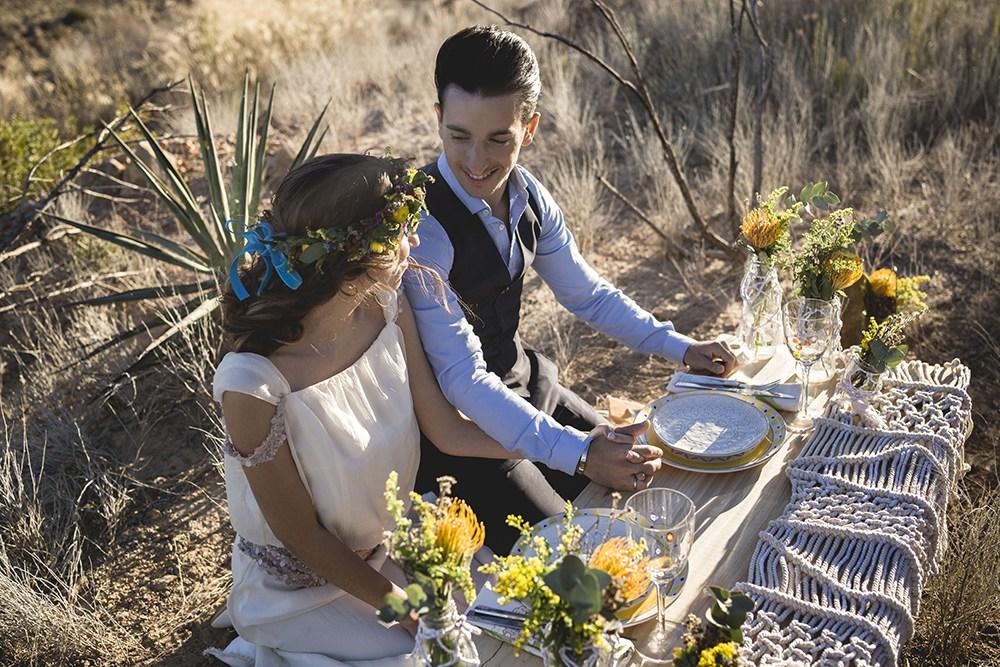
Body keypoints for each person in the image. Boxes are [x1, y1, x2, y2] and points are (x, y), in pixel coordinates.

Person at [205, 154, 659, 665]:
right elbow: (301, 536)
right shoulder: (253, 383)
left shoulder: (384, 305)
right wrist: (407, 607)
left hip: (394, 546)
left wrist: (576, 452)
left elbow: (446, 431)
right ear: (355, 255)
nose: (416, 244)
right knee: (453, 654)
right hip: (305, 588)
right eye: (401, 232)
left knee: (526, 619)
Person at [404, 26, 737, 551]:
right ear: (438, 118)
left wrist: (681, 347)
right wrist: (581, 452)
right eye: (458, 134)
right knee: (582, 549)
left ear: (529, 128)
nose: (475, 161)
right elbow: (462, 379)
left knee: (645, 475)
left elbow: (587, 294)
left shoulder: (529, 195)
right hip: (462, 434)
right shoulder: (422, 226)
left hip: (527, 384)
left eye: (499, 138)